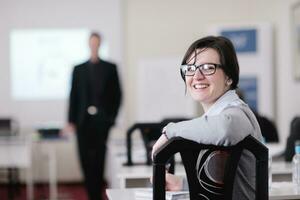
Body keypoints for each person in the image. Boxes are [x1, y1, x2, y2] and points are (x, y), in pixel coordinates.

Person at [152, 36, 263, 199]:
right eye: (190, 68)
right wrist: (181, 184)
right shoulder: (213, 117)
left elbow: (226, 129)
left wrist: (170, 131)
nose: (196, 76)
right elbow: (226, 184)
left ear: (229, 77)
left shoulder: (238, 112)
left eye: (207, 67)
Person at [65, 32, 122, 200]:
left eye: (97, 43)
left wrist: (111, 118)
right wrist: (71, 121)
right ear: (89, 44)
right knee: (84, 159)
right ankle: (91, 194)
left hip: (102, 122)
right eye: (92, 43)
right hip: (82, 122)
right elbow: (73, 96)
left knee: (99, 159)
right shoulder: (78, 69)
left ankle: (96, 195)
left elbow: (118, 95)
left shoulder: (110, 68)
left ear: (100, 44)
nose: (94, 46)